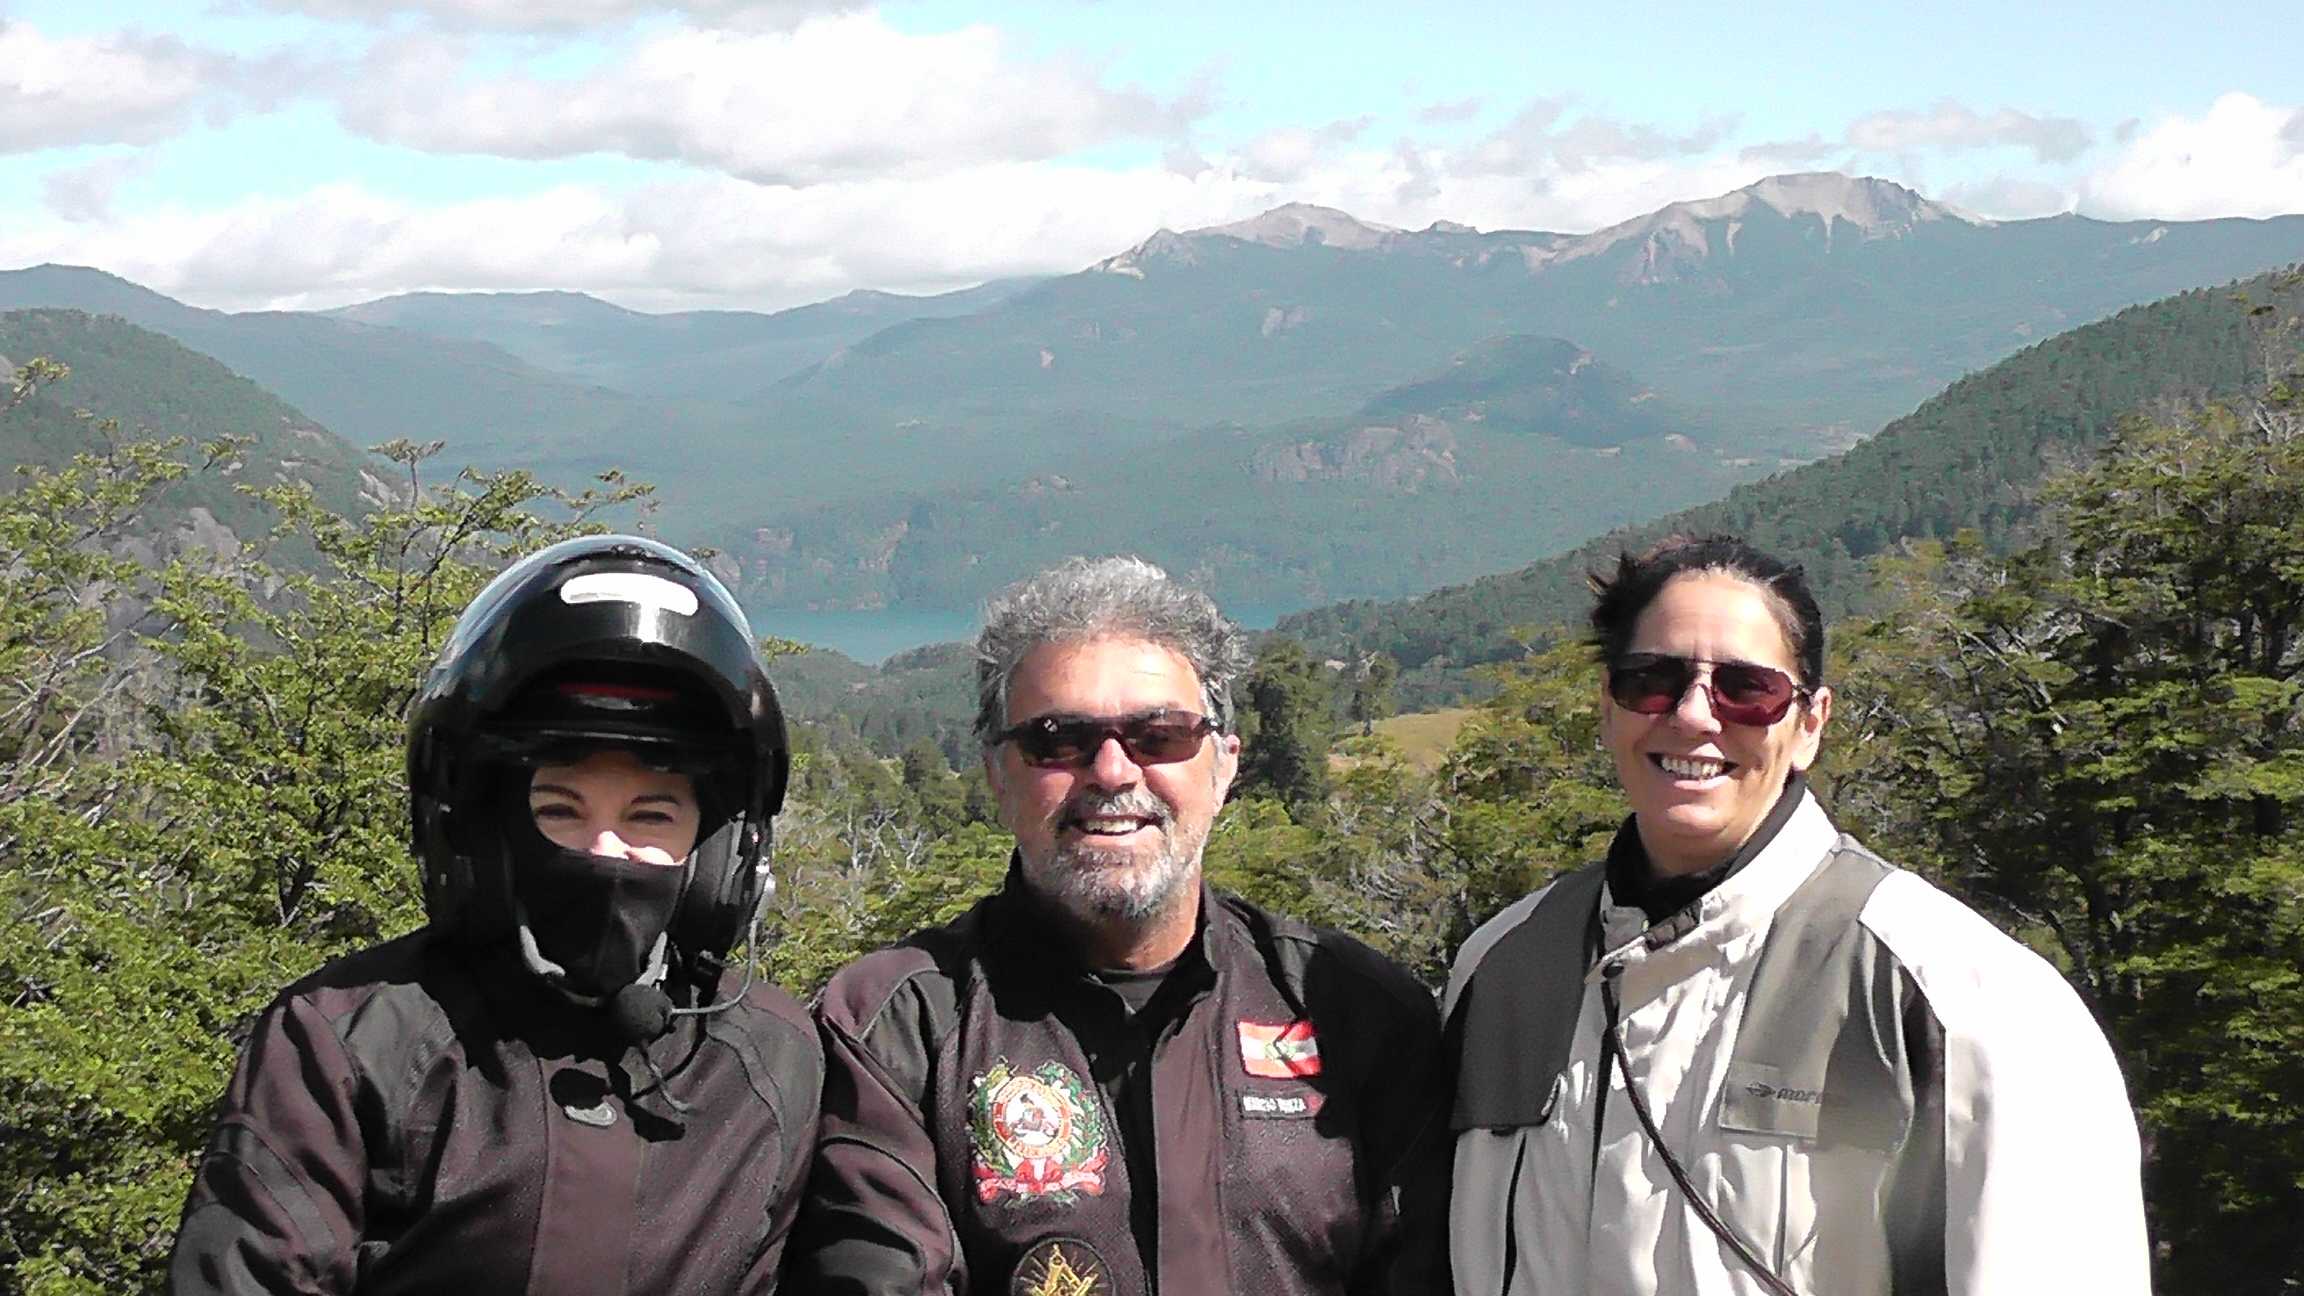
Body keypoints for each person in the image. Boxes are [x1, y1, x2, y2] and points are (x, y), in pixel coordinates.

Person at [1444, 534, 2150, 1295]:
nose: (1691, 716)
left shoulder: (1958, 995)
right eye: (1650, 679)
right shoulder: (1505, 967)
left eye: (1747, 689)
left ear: (1810, 723)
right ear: (1607, 709)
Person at [167, 535, 823, 1295]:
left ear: (716, 857)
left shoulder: (772, 1060)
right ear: (485, 829)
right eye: (558, 809)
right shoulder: (347, 1042)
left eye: (650, 817)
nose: (605, 849)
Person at [788, 555, 1448, 1295]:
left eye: (1159, 735)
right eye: (1057, 739)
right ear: (997, 775)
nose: (1111, 771)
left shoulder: (1355, 1011)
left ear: (1223, 765)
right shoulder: (896, 1029)